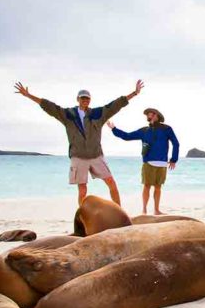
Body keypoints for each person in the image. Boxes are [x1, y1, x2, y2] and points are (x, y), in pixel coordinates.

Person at [14, 80, 143, 205]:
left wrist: (134, 93)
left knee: (111, 183)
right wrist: (29, 95)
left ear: (90, 100)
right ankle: (82, 218)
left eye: (87, 98)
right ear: (78, 99)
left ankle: (119, 211)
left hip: (96, 155)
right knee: (82, 190)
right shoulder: (68, 115)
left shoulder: (98, 114)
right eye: (83, 98)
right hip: (78, 157)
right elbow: (49, 106)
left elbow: (116, 104)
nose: (85, 100)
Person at [107, 108, 179, 215]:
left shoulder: (167, 129)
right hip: (148, 163)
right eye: (147, 115)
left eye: (150, 114)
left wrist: (173, 159)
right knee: (147, 186)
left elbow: (176, 143)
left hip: (163, 163)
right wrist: (114, 129)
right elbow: (127, 136)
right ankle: (144, 210)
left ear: (156, 115)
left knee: (158, 187)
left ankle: (156, 210)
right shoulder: (144, 131)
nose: (148, 116)